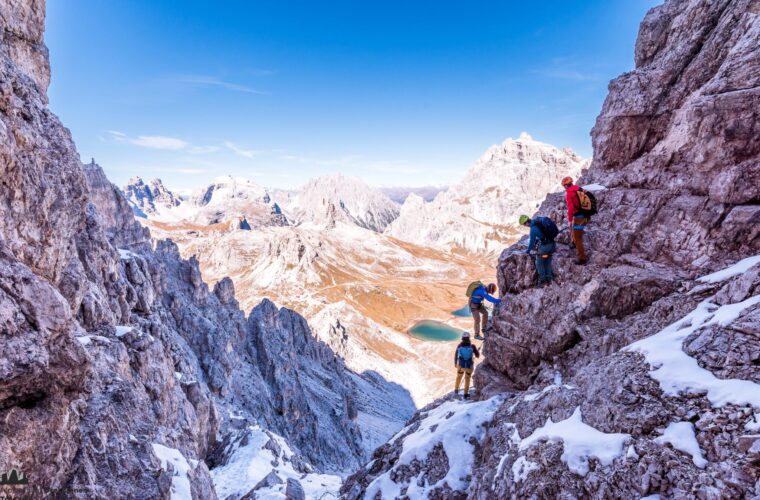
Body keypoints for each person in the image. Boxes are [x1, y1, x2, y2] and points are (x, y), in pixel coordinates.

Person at [519, 214, 558, 286]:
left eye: (524, 225)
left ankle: (543, 281)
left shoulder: (533, 229)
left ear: (526, 223)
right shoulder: (538, 221)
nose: (525, 226)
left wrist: (527, 251)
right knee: (547, 260)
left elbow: (531, 242)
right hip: (552, 244)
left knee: (539, 261)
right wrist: (538, 239)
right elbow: (542, 233)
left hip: (545, 246)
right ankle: (549, 278)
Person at [562, 176, 589, 265]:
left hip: (578, 216)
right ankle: (573, 242)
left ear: (566, 186)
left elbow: (570, 208)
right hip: (585, 214)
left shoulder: (569, 193)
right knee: (574, 230)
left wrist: (569, 219)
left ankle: (582, 258)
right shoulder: (579, 189)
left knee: (578, 238)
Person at [454, 332, 480, 399]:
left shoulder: (459, 346)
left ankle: (456, 390)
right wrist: (477, 351)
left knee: (459, 377)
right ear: (469, 338)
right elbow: (477, 356)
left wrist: (455, 363)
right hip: (469, 366)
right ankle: (465, 394)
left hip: (461, 365)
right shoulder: (472, 346)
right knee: (467, 379)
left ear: (462, 338)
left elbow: (456, 354)